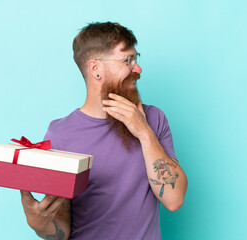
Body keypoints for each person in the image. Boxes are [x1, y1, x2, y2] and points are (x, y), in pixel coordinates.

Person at [20, 22, 188, 240]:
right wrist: (40, 225)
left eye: (136, 58)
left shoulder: (154, 119)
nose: (138, 69)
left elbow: (174, 200)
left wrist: (144, 133)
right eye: (127, 60)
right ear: (95, 69)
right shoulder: (61, 135)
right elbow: (62, 230)